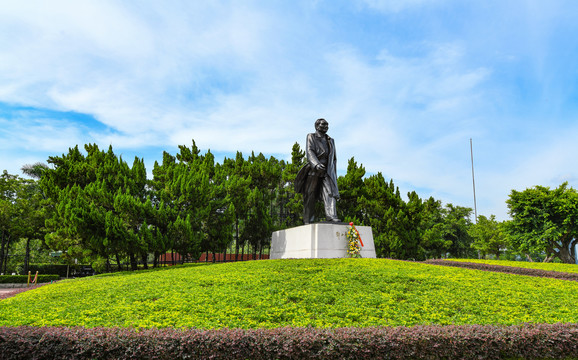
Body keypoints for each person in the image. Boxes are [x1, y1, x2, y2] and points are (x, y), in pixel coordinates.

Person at [295, 118, 340, 224]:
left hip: (327, 170)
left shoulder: (331, 140)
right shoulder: (311, 136)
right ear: (316, 126)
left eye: (327, 125)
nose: (326, 127)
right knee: (310, 195)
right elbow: (309, 151)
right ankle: (308, 219)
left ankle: (331, 216)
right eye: (323, 124)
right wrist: (316, 164)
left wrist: (334, 173)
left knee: (330, 192)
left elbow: (334, 158)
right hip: (314, 170)